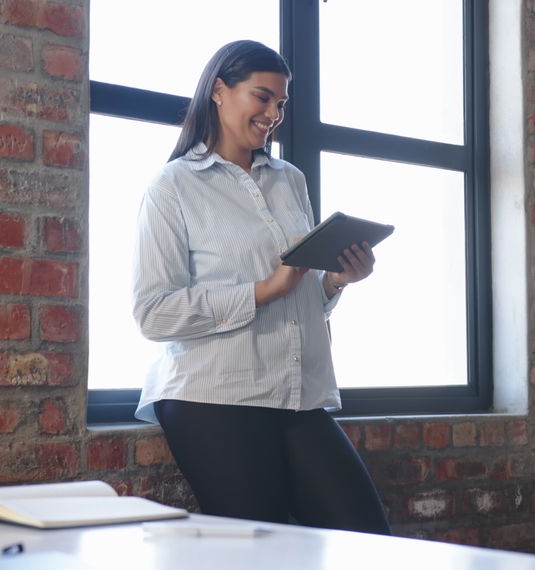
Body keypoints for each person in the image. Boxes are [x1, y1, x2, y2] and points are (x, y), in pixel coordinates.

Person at [131, 40, 390, 535]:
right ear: (219, 91)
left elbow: (300, 295)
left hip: (294, 393)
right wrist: (263, 289)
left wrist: (334, 280)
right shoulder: (172, 187)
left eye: (282, 104)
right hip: (211, 395)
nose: (274, 113)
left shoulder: (290, 181)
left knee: (367, 539)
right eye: (262, 97)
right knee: (258, 552)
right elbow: (153, 312)